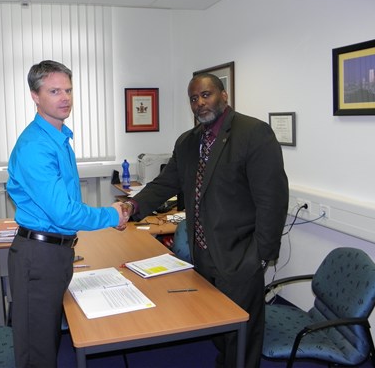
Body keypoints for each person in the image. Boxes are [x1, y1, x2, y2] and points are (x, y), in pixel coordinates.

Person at [123, 73, 288, 368]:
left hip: (240, 256)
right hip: (203, 256)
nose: (200, 103)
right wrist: (132, 205)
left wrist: (262, 255)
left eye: (206, 95)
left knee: (243, 335)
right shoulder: (187, 142)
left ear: (224, 96)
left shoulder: (253, 133)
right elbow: (164, 184)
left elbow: (272, 200)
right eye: (194, 98)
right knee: (219, 328)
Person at [6, 60, 129, 368]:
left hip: (55, 251)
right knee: (37, 353)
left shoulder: (59, 138)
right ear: (35, 96)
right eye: (54, 91)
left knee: (49, 339)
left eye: (69, 90)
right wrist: (112, 216)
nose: (65, 98)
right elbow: (64, 213)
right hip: (39, 256)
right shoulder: (36, 146)